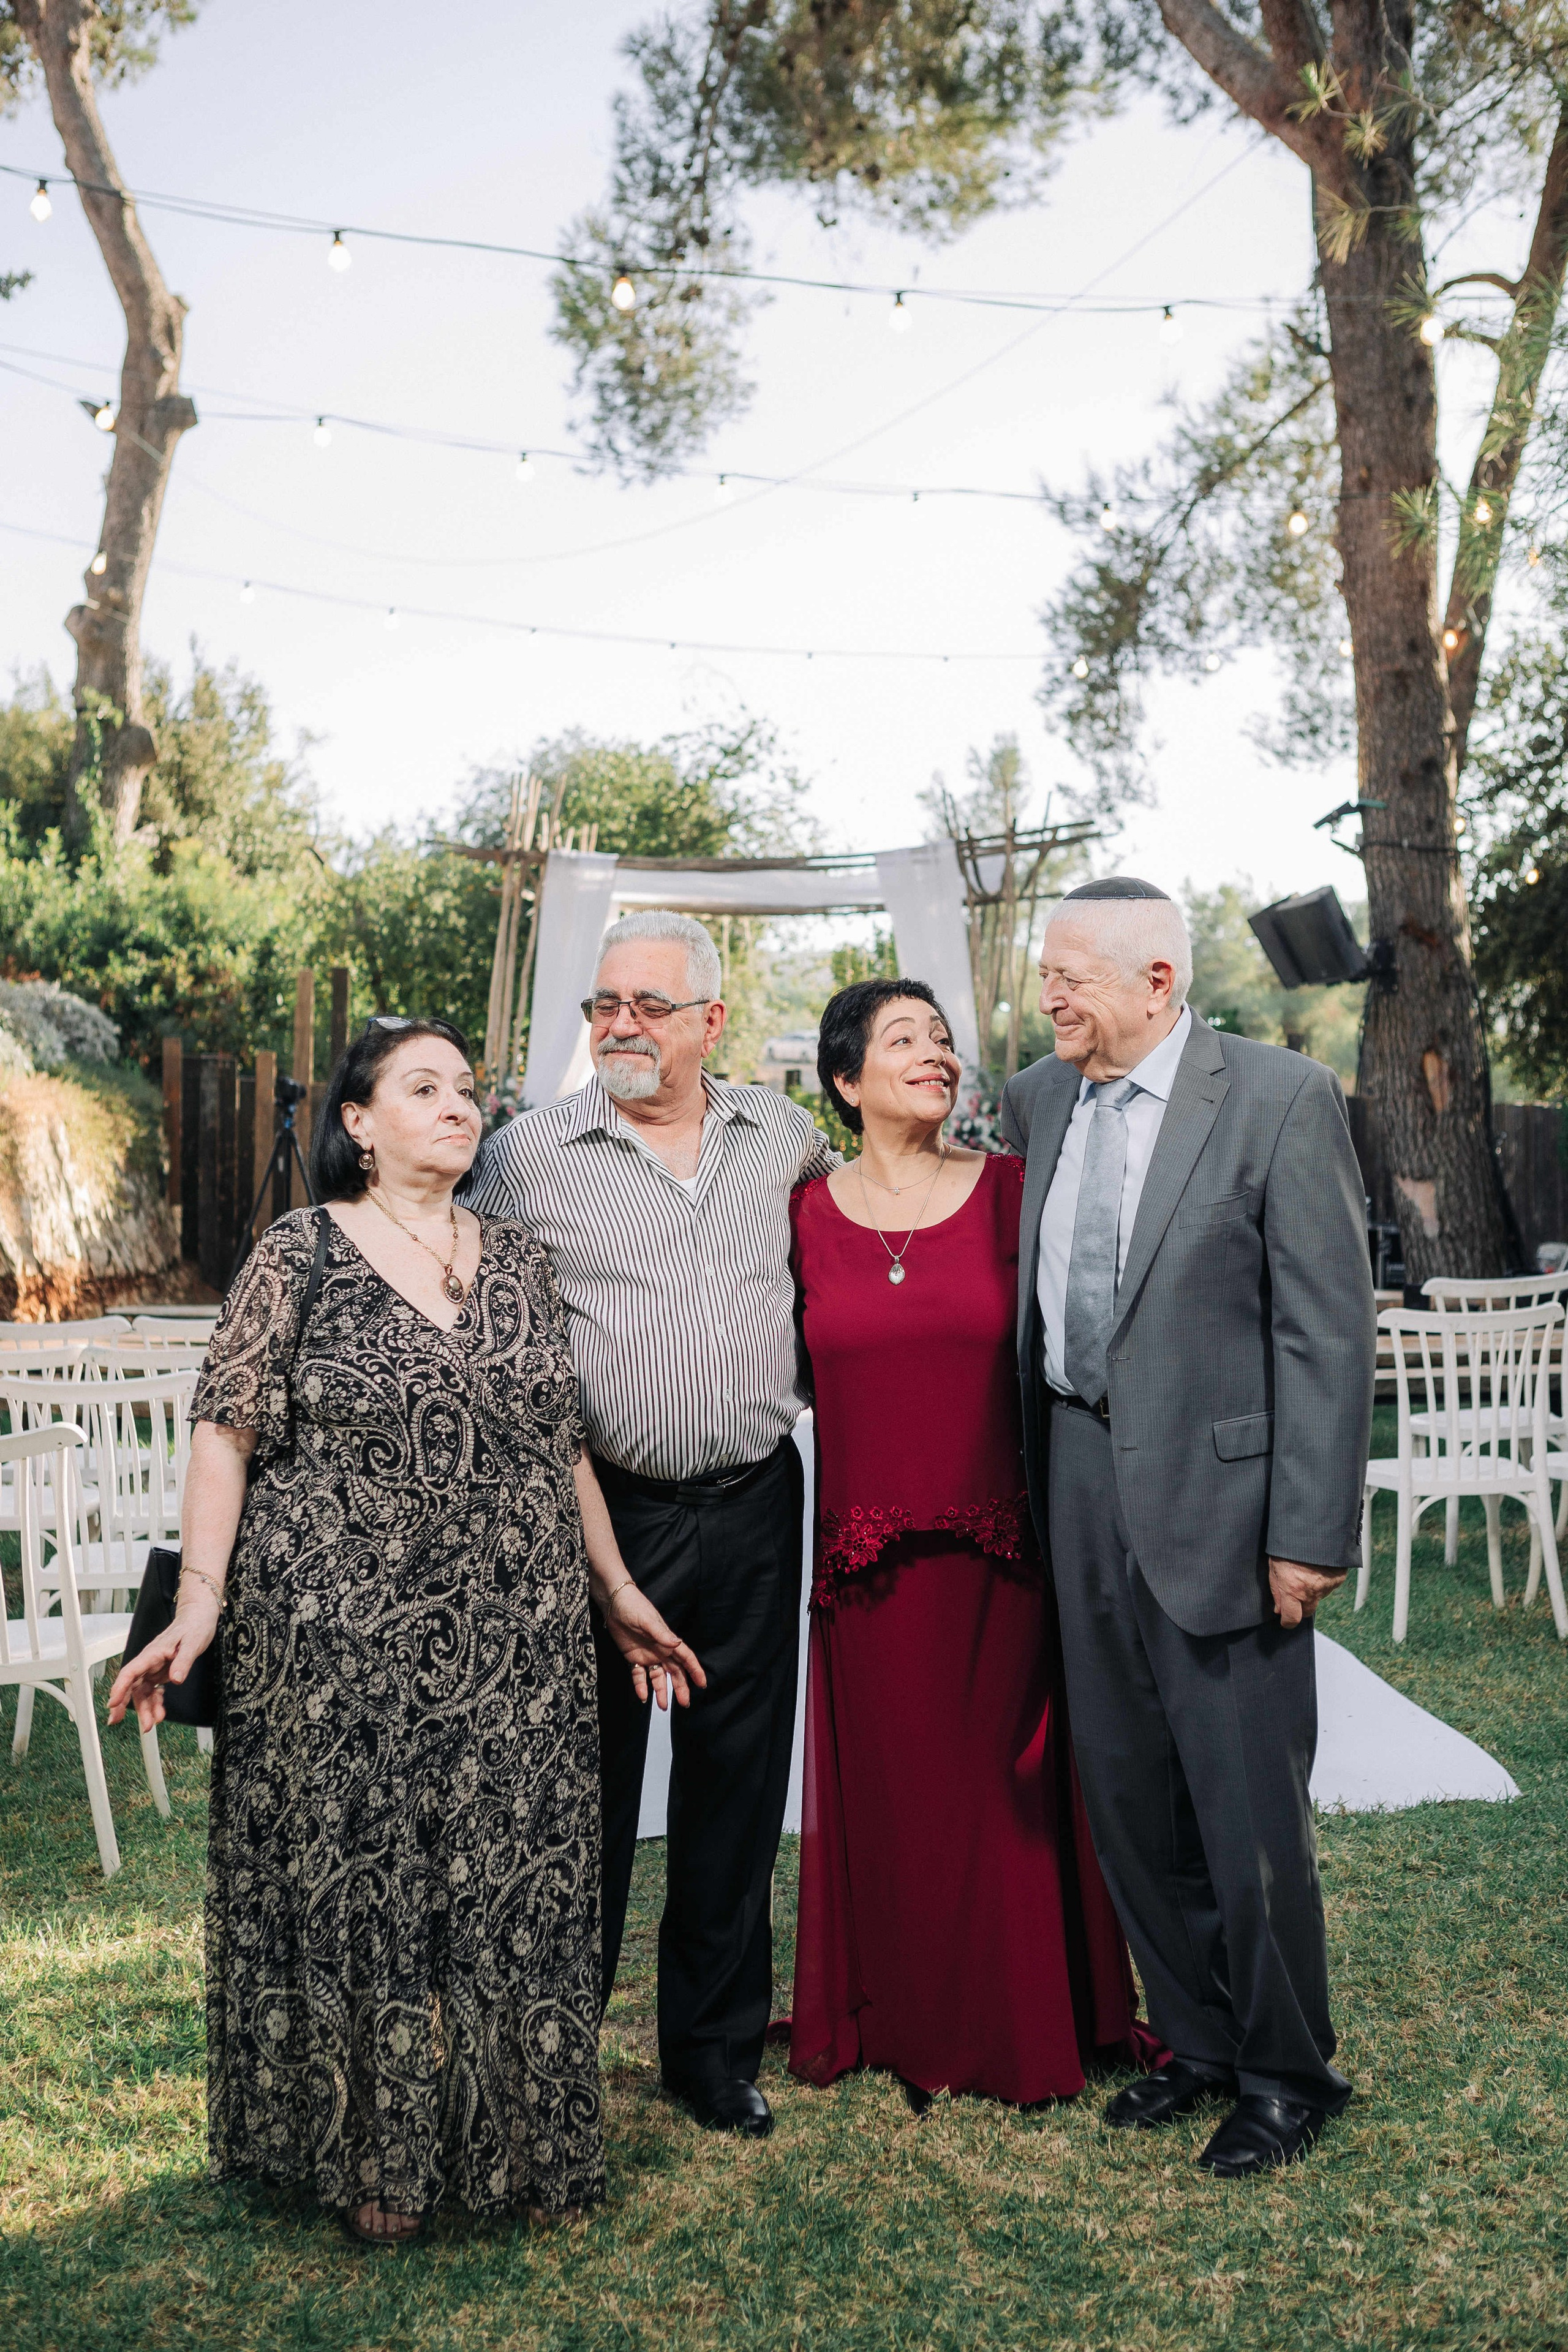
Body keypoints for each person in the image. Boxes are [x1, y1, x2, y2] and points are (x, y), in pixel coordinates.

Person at [110, 1016, 699, 2245]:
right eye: (421, 1087)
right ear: (358, 1125)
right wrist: (200, 1606)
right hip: (338, 1634)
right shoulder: (298, 1253)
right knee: (368, 1887)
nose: (458, 1105)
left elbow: (561, 1444)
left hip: (521, 1637)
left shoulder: (522, 1260)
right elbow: (224, 1429)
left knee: (512, 1884)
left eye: (467, 1089)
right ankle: (373, 2155)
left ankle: (518, 2138)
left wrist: (618, 1590)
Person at [999, 878, 1376, 2178]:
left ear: (1157, 981)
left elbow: (1324, 1330)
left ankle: (1286, 2077)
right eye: (1044, 974)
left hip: (1228, 1507)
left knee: (1242, 1811)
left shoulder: (1276, 1097)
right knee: (1125, 1799)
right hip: (1075, 1478)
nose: (1047, 996)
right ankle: (1196, 2046)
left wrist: (1308, 1531)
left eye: (1071, 976)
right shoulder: (1035, 1100)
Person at [464, 911, 837, 2139]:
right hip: (600, 1519)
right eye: (603, 1005)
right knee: (588, 1793)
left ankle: (712, 2056)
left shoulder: (782, 1140)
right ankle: (555, 2049)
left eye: (648, 1006)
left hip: (752, 1502)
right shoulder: (527, 1157)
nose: (620, 1026)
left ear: (710, 1023)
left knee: (735, 1790)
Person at [788, 979, 1152, 2108]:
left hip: (1001, 1555)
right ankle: (890, 2008)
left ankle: (1024, 2015)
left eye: (943, 1039)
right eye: (905, 1040)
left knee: (1007, 1792)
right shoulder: (802, 1213)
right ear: (846, 1082)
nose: (936, 1055)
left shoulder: (1012, 1193)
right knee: (896, 1796)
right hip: (866, 1569)